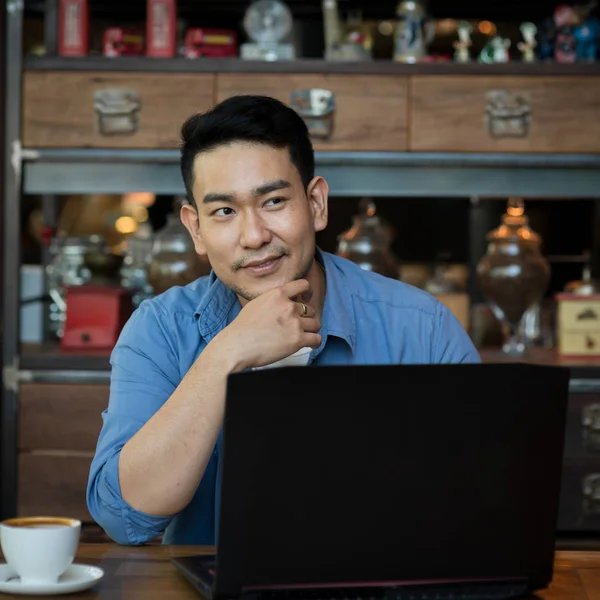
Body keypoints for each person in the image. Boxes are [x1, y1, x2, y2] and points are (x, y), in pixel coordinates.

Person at [87, 95, 481, 546]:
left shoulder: (421, 328)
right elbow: (126, 517)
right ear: (196, 229)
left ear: (315, 204)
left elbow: (480, 502)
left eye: (273, 201)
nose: (254, 236)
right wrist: (228, 353)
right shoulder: (158, 330)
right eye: (224, 212)